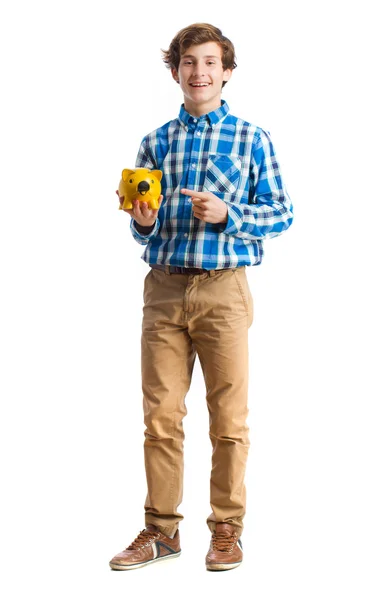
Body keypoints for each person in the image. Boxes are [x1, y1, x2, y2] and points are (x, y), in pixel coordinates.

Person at [109, 22, 293, 572]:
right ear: (175, 72)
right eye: (189, 62)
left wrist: (228, 213)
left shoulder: (252, 138)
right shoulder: (155, 142)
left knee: (228, 419)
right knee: (160, 417)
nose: (199, 72)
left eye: (210, 62)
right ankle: (161, 532)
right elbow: (145, 228)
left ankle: (227, 529)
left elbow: (282, 212)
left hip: (224, 291)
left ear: (227, 72)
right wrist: (142, 222)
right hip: (163, 289)